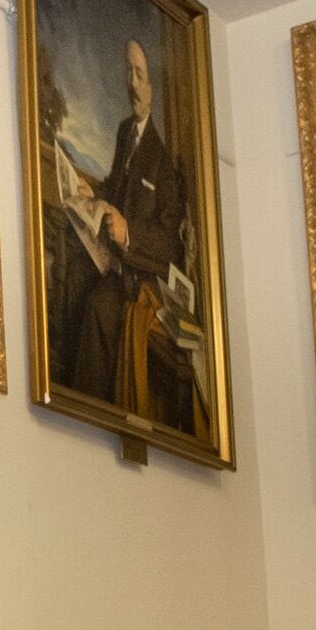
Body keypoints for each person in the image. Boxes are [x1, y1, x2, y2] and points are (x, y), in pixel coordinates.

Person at [64, 39, 194, 429]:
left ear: (153, 87)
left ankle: (88, 418)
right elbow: (117, 186)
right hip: (115, 264)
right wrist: (95, 194)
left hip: (143, 279)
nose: (132, 84)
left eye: (140, 75)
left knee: (100, 308)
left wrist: (127, 233)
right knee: (72, 278)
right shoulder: (125, 133)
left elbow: (170, 243)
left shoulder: (165, 160)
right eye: (128, 72)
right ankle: (66, 396)